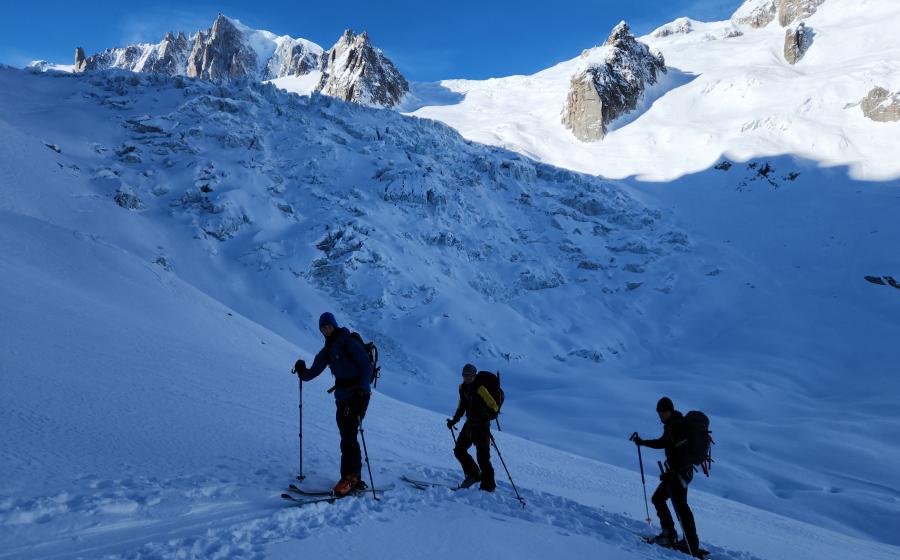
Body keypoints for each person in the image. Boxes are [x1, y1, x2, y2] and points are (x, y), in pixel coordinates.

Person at [293, 312, 373, 496]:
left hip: (359, 395)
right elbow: (312, 373)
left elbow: (366, 366)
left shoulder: (348, 342)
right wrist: (301, 371)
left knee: (349, 435)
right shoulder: (328, 350)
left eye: (328, 326)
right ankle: (354, 477)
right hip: (343, 397)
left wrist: (362, 388)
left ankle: (349, 478)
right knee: (347, 435)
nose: (326, 330)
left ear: (334, 326)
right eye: (323, 328)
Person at [632, 397, 701, 557]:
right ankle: (679, 537)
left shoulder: (677, 426)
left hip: (680, 473)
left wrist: (671, 473)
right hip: (678, 473)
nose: (660, 414)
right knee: (670, 503)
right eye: (659, 412)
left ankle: (680, 539)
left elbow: (682, 455)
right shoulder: (671, 425)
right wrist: (643, 442)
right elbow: (663, 442)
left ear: (670, 410)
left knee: (678, 506)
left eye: (663, 411)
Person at [446, 364, 496, 492]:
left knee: (483, 457)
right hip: (470, 424)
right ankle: (474, 474)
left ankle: (488, 486)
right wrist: (455, 420)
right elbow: (462, 405)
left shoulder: (480, 388)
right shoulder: (462, 388)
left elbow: (493, 405)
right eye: (464, 375)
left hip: (482, 426)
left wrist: (489, 414)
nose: (466, 378)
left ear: (474, 375)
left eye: (469, 375)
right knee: (459, 450)